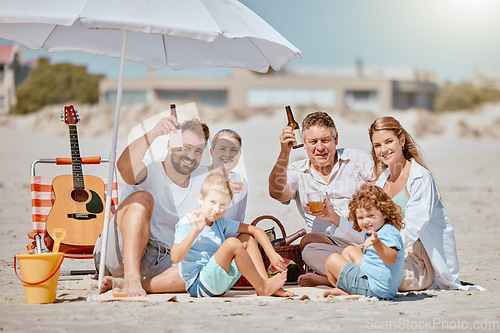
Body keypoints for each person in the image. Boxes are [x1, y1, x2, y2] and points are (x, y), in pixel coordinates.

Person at [94, 116, 210, 296]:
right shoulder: (149, 172)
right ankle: (131, 278)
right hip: (120, 254)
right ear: (170, 146)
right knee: (142, 198)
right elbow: (123, 165)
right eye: (186, 148)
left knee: (203, 270)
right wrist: (155, 132)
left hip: (162, 262)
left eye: (198, 151)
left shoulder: (203, 181)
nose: (191, 156)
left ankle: (129, 284)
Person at [368, 116, 481, 291]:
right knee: (330, 253)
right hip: (385, 249)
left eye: (388, 142)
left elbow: (414, 224)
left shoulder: (420, 177)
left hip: (417, 257)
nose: (383, 150)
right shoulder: (381, 182)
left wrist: (386, 249)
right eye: (377, 145)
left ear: (402, 140)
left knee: (370, 271)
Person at [268, 111, 373, 287]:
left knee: (310, 244)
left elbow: (382, 192)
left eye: (325, 140)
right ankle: (358, 272)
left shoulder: (356, 159)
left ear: (336, 139)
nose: (320, 147)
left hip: (363, 235)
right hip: (331, 245)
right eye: (313, 142)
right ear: (304, 144)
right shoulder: (297, 170)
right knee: (308, 245)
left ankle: (331, 279)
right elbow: (277, 192)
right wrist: (284, 153)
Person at [171, 171, 292, 297]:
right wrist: (194, 232)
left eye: (223, 205)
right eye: (212, 202)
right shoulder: (187, 223)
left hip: (218, 282)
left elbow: (255, 230)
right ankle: (263, 286)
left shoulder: (220, 222)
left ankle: (265, 285)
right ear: (201, 199)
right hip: (199, 285)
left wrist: (271, 254)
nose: (217, 209)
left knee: (247, 238)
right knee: (232, 243)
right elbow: (175, 257)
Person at [323, 184, 405, 300]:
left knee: (332, 260)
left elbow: (391, 259)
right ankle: (347, 287)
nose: (366, 221)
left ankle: (345, 290)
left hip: (375, 288)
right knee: (349, 250)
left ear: (385, 213)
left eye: (371, 216)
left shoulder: (388, 232)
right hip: (378, 284)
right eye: (360, 218)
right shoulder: (378, 229)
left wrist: (377, 244)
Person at [208, 129, 248, 222]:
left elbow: (239, 220)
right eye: (222, 149)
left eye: (234, 150)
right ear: (212, 152)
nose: (228, 154)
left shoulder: (240, 182)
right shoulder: (198, 177)